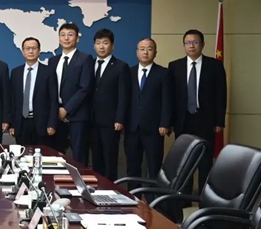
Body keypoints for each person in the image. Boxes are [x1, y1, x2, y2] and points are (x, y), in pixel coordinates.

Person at [168, 29, 227, 191]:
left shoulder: (214, 65)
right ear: (184, 46)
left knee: (205, 162)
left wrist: (219, 121)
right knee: (184, 162)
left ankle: (203, 197)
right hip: (182, 121)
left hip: (206, 120)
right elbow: (171, 97)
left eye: (195, 42)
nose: (192, 46)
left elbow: (221, 94)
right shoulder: (175, 66)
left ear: (202, 44)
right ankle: (184, 198)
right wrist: (170, 122)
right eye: (188, 43)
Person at [125, 38, 171, 183]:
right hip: (132, 128)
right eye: (142, 49)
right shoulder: (129, 72)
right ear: (137, 52)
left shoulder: (163, 73)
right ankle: (133, 195)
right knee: (132, 166)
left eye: (149, 49)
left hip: (154, 129)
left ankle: (153, 196)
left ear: (155, 53)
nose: (145, 52)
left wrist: (165, 123)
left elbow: (167, 100)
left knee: (154, 166)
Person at [47, 23, 94, 164]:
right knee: (55, 155)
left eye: (70, 35)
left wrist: (66, 109)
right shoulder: (53, 61)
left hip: (77, 116)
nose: (66, 38)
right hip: (56, 115)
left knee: (79, 156)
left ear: (77, 38)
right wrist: (56, 110)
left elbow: (85, 88)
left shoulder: (85, 59)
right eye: (63, 35)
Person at [90, 29, 130, 181]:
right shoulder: (89, 64)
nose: (101, 46)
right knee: (96, 159)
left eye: (105, 43)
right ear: (94, 46)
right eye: (98, 43)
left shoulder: (120, 66)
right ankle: (97, 188)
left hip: (111, 121)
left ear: (112, 46)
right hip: (91, 121)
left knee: (109, 159)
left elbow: (123, 95)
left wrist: (120, 119)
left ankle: (110, 188)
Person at [9, 37, 57, 146]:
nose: (31, 51)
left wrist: (52, 124)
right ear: (23, 51)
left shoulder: (48, 72)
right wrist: (12, 124)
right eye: (27, 48)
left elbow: (53, 99)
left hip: (42, 123)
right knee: (22, 153)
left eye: (34, 48)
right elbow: (12, 100)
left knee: (41, 154)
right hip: (21, 124)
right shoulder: (16, 72)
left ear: (39, 51)